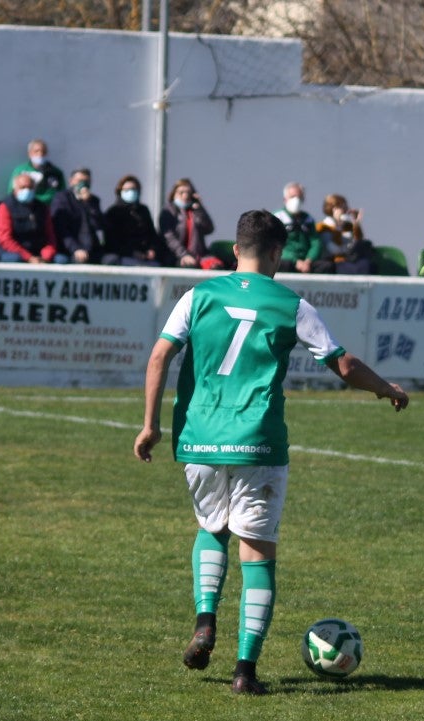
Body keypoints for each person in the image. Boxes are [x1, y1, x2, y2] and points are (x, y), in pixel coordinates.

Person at [133, 209, 409, 696]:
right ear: (278, 254)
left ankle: (204, 620)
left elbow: (159, 355)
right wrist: (385, 387)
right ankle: (244, 671)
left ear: (235, 250)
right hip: (258, 438)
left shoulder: (198, 294)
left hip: (199, 437)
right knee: (257, 552)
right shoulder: (290, 303)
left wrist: (152, 425)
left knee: (211, 529)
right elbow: (342, 365)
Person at [0, 173, 67, 264]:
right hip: (12, 252)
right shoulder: (4, 207)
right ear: (15, 189)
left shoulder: (42, 208)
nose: (27, 190)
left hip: (38, 252)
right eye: (22, 187)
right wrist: (28, 257)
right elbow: (4, 239)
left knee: (62, 260)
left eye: (30, 187)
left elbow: (50, 236)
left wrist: (46, 256)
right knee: (16, 259)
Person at [159, 178, 223, 269]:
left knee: (216, 266)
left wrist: (200, 208)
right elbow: (169, 237)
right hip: (177, 256)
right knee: (190, 266)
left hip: (200, 255)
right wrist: (183, 254)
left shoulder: (195, 211)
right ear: (174, 194)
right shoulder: (168, 211)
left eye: (188, 193)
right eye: (181, 192)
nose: (185, 196)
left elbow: (209, 229)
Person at [273, 182, 333, 273]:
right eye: (293, 196)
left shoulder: (308, 219)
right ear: (285, 199)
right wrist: (295, 261)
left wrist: (308, 261)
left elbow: (315, 242)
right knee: (282, 265)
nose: (296, 200)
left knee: (328, 266)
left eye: (299, 197)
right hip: (288, 261)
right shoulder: (277, 217)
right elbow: (275, 244)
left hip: (306, 263)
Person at [50, 167, 107, 264]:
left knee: (112, 260)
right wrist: (75, 248)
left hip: (92, 249)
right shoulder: (62, 198)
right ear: (71, 181)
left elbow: (99, 226)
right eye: (79, 180)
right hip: (70, 249)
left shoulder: (94, 201)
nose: (83, 184)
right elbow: (61, 228)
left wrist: (88, 204)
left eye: (86, 181)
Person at [103, 175, 162, 266]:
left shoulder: (143, 210)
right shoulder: (113, 212)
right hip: (124, 256)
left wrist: (152, 249)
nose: (131, 192)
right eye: (126, 190)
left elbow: (152, 234)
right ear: (120, 192)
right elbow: (112, 241)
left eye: (134, 189)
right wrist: (135, 254)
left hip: (145, 256)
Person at [317, 193, 375, 275]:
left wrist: (356, 224)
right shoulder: (323, 226)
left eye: (345, 207)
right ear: (333, 209)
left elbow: (358, 240)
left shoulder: (348, 226)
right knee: (352, 270)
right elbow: (334, 250)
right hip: (334, 261)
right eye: (341, 207)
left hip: (349, 260)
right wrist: (337, 227)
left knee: (366, 265)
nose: (345, 210)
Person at [8, 139, 65, 207]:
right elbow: (11, 192)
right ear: (29, 154)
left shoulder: (56, 172)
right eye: (36, 151)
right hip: (25, 208)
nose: (40, 154)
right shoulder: (21, 170)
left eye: (43, 151)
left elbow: (62, 194)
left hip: (49, 210)